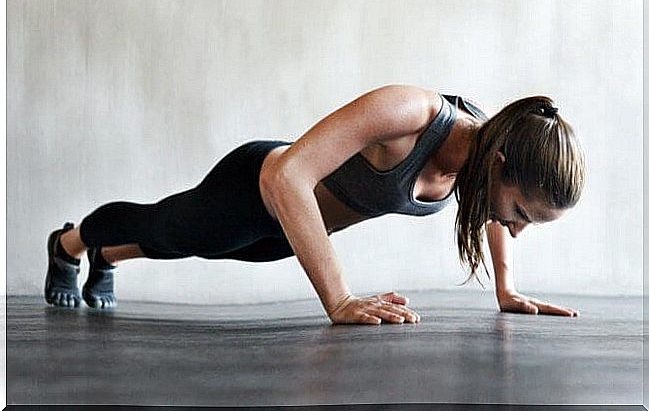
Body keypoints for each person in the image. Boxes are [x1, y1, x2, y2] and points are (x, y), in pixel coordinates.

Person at [44, 84, 585, 324]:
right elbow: (288, 173)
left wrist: (506, 289)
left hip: (293, 235)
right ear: (501, 163)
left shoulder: (484, 155)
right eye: (523, 214)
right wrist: (340, 299)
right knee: (162, 226)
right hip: (255, 189)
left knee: (189, 248)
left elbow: (491, 212)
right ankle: (69, 245)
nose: (513, 229)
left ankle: (109, 259)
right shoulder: (410, 113)